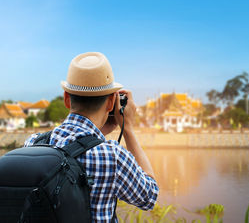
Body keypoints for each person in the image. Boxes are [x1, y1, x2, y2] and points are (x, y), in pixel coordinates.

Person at [24, 52, 159, 222]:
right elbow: (149, 196)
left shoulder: (34, 143)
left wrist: (97, 135)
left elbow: (70, 151)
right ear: (111, 103)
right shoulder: (113, 156)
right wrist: (128, 129)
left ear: (66, 99)